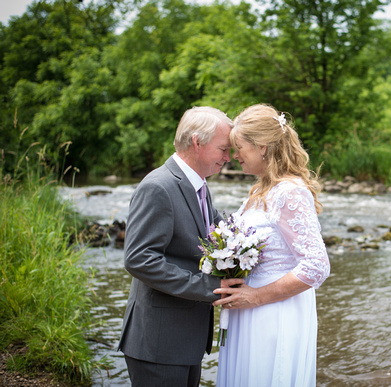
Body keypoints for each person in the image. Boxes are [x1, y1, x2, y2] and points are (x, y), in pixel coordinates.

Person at [117, 106, 245, 387]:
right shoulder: (158, 186)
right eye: (223, 149)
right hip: (158, 343)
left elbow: (217, 234)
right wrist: (208, 288)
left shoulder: (199, 185)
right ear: (197, 142)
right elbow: (139, 259)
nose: (228, 157)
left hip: (185, 340)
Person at [213, 104, 331, 387]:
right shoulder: (261, 190)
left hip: (273, 314)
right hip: (249, 311)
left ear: (262, 147)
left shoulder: (290, 192)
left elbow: (317, 266)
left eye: (239, 147)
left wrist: (256, 297)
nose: (234, 156)